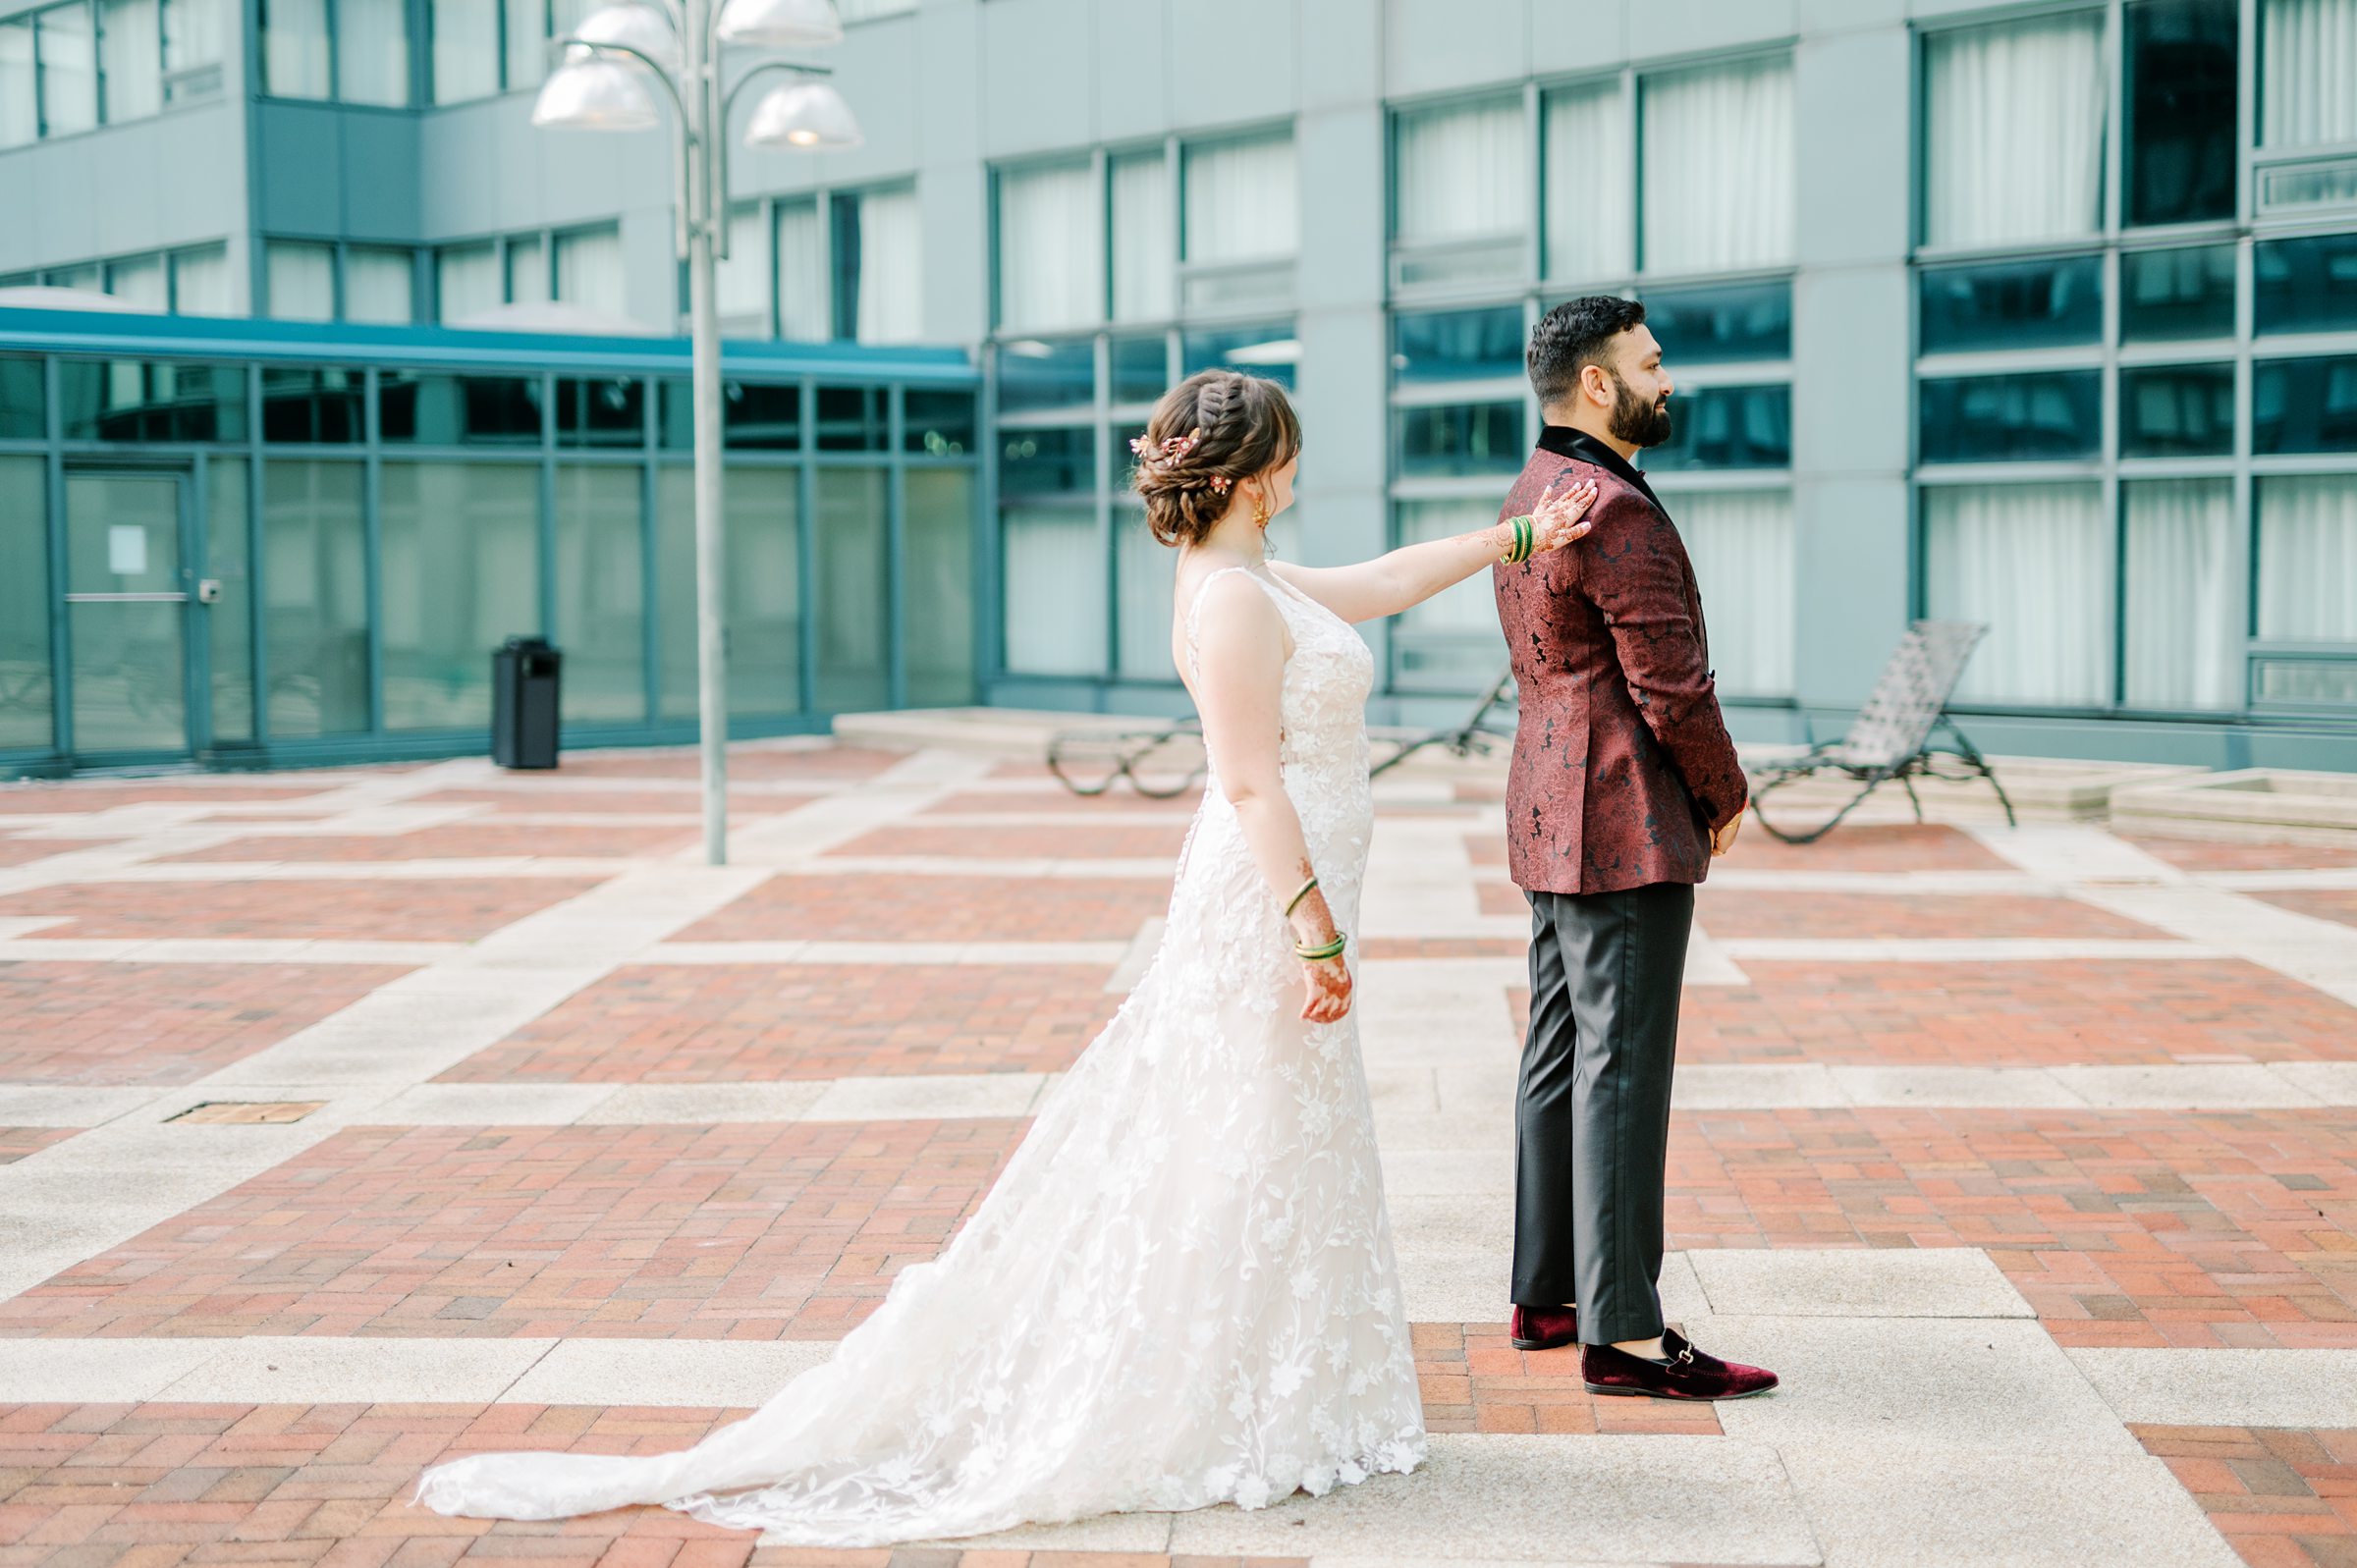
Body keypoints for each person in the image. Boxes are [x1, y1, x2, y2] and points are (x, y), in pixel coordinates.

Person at [411, 367, 1598, 1545]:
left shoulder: (1255, 575)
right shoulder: (1231, 597)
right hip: (1261, 904)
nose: (1300, 469)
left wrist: (1524, 534)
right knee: (1240, 1137)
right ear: (1247, 475)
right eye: (1288, 451)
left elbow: (1384, 579)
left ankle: (1275, 1387)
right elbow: (1248, 779)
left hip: (1290, 891)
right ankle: (1222, 1398)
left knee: (1270, 1137)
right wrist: (1311, 925)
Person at [1491, 297, 1780, 1402]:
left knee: (1558, 1053)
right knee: (1622, 1067)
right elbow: (1671, 683)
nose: (1670, 379)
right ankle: (1625, 1334)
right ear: (1600, 385)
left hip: (1548, 806)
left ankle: (1549, 1293)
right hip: (1625, 817)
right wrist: (1724, 790)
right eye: (1652, 364)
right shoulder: (1617, 508)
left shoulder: (1533, 492)